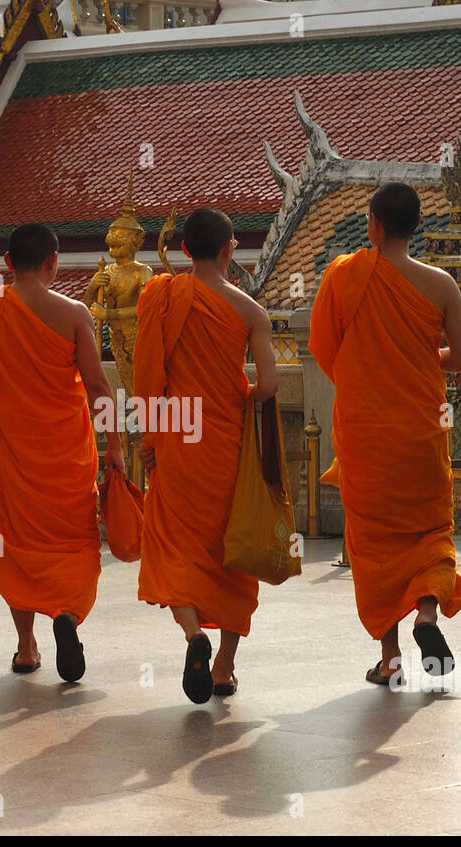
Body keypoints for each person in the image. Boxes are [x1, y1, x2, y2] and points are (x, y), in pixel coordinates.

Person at [309, 182, 461, 686]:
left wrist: (371, 372)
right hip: (421, 432)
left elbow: (325, 350)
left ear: (373, 225)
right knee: (431, 531)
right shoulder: (441, 284)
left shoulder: (344, 277)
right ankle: (427, 616)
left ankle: (391, 660)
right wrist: (417, 362)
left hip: (367, 434)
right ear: (416, 226)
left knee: (374, 544)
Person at [0, 223, 126, 682]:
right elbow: (98, 386)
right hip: (67, 456)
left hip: (10, 454)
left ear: (8, 263)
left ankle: (26, 647)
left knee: (15, 544)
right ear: (53, 261)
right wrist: (114, 445)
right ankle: (67, 612)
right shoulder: (74, 314)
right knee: (73, 540)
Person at [134, 208, 278, 703]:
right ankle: (223, 666)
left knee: (176, 545)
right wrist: (240, 395)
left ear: (185, 251)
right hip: (227, 446)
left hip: (177, 439)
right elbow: (270, 386)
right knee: (233, 550)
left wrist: (150, 439)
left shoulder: (163, 296)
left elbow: (148, 377)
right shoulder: (250, 311)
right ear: (229, 249)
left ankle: (193, 633)